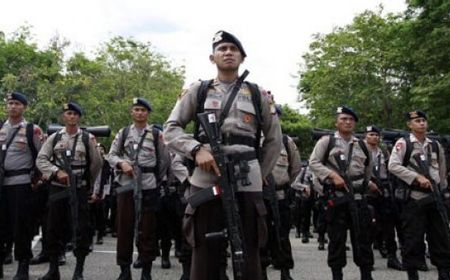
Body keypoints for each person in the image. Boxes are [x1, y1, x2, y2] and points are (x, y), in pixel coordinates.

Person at [163, 30, 282, 280]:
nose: (228, 53)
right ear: (212, 57)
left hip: (247, 179)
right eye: (222, 49)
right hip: (206, 178)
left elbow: (273, 141)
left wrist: (258, 173)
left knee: (250, 250)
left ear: (242, 57)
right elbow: (170, 129)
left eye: (233, 49)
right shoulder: (199, 90)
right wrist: (196, 150)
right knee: (203, 252)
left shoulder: (258, 93)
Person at [36, 102, 102, 280]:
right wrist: (56, 172)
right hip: (58, 190)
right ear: (63, 117)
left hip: (78, 189)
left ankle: (78, 271)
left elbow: (97, 163)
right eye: (68, 113)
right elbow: (41, 159)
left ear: (79, 117)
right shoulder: (55, 138)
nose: (71, 117)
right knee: (53, 229)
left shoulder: (87, 138)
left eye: (74, 114)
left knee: (81, 229)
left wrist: (87, 184)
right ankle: (53, 269)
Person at [106, 97, 170, 280]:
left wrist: (155, 179)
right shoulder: (124, 133)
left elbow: (165, 160)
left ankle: (146, 271)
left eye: (143, 110)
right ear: (131, 112)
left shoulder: (157, 135)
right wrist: (121, 164)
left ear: (148, 113)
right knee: (124, 228)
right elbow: (111, 155)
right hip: (127, 186)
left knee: (148, 230)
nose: (140, 113)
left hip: (149, 187)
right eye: (136, 110)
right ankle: (124, 270)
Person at [309, 105, 374, 280]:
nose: (347, 122)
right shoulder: (326, 142)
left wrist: (363, 185)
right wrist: (331, 175)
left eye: (351, 119)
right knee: (337, 241)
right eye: (343, 119)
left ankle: (366, 275)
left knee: (362, 240)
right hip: (336, 199)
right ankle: (337, 275)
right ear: (336, 122)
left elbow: (368, 168)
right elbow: (313, 163)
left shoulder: (362, 144)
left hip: (358, 198)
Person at [388, 110, 450, 280]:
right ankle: (412, 273)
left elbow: (442, 170)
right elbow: (393, 166)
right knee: (413, 239)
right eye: (417, 121)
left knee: (440, 237)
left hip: (435, 197)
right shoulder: (404, 143)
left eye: (423, 120)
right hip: (414, 198)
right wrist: (415, 177)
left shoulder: (435, 144)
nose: (421, 123)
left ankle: (444, 272)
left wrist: (443, 190)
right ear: (410, 124)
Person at [0, 92, 43, 280]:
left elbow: (42, 157)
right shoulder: (0, 127)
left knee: (22, 228)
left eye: (17, 103)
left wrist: (38, 180)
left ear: (24, 107)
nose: (13, 107)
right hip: (2, 184)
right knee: (2, 227)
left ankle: (23, 267)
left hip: (22, 184)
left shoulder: (32, 130)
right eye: (10, 103)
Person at [260, 104, 301, 280]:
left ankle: (285, 271)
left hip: (281, 195)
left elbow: (295, 168)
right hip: (259, 196)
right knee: (259, 235)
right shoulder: (254, 139)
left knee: (282, 235)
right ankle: (261, 272)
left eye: (275, 115)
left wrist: (283, 184)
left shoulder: (286, 141)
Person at [364, 125, 403, 271]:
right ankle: (368, 261)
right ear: (365, 136)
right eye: (371, 134)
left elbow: (390, 169)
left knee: (389, 225)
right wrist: (368, 183)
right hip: (367, 192)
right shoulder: (359, 151)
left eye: (376, 135)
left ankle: (392, 257)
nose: (374, 137)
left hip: (384, 189)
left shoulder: (384, 151)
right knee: (369, 226)